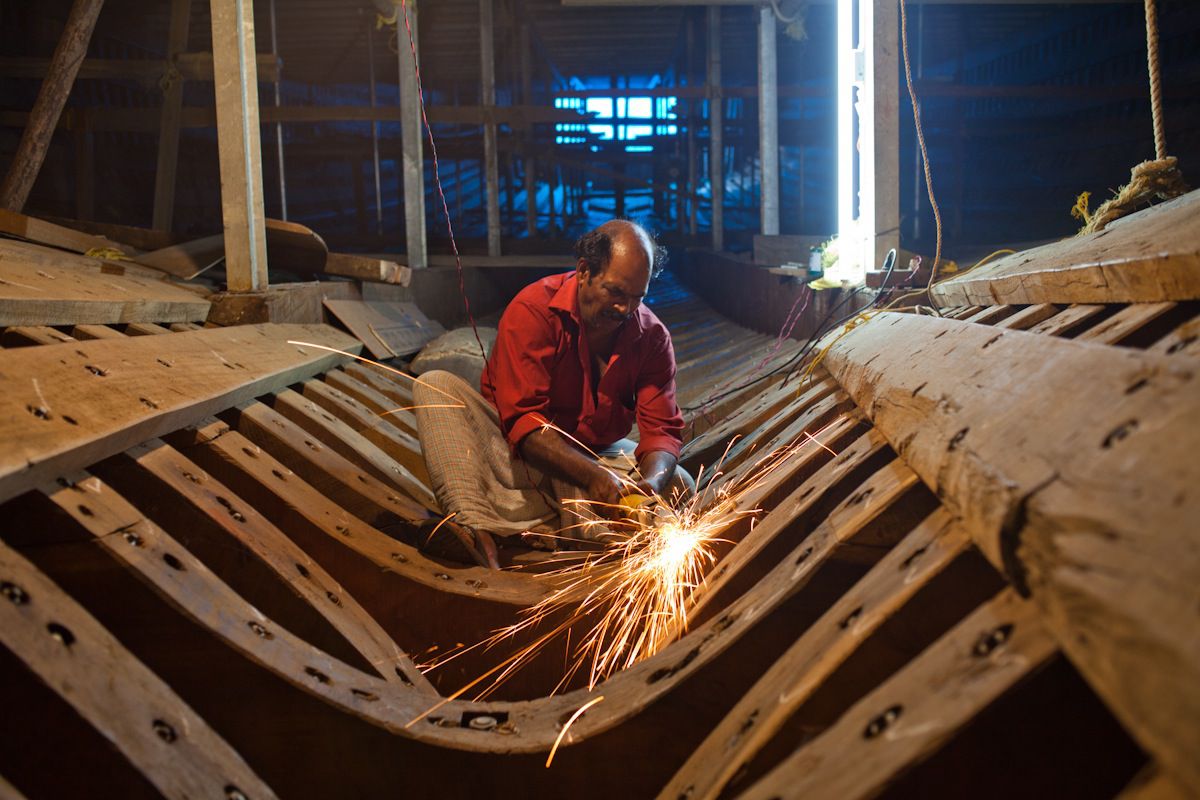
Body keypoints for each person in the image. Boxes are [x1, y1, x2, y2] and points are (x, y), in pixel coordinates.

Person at [413, 219, 694, 569]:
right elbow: (525, 424)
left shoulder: (651, 336)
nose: (626, 309)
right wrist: (594, 479)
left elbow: (662, 433)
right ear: (584, 271)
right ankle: (473, 524)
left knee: (679, 483)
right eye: (615, 293)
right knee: (436, 386)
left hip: (592, 455)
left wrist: (649, 486)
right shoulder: (533, 311)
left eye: (638, 297)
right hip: (517, 457)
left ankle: (543, 528)